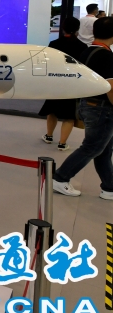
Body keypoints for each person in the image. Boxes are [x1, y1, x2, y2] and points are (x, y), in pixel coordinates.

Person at [53, 16, 113, 201]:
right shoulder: (106, 56)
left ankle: (109, 187)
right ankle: (60, 177)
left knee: (103, 149)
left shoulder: (87, 52)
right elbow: (110, 87)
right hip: (102, 108)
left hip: (89, 104)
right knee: (92, 147)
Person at [38, 17, 87, 151]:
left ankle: (49, 136)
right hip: (72, 84)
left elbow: (48, 63)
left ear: (63, 27)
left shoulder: (54, 44)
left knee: (52, 110)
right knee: (69, 115)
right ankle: (62, 143)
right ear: (77, 29)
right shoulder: (82, 46)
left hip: (55, 82)